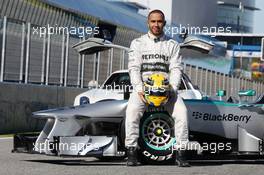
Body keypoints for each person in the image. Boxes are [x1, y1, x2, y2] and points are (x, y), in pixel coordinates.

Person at [125, 9, 190, 167]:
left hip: (167, 91)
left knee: (182, 113)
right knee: (132, 111)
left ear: (164, 24)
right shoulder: (137, 43)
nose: (156, 24)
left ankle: (181, 154)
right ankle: (132, 152)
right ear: (148, 22)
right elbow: (133, 68)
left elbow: (176, 69)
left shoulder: (172, 45)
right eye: (153, 21)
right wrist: (139, 88)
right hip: (143, 91)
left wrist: (172, 89)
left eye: (159, 21)